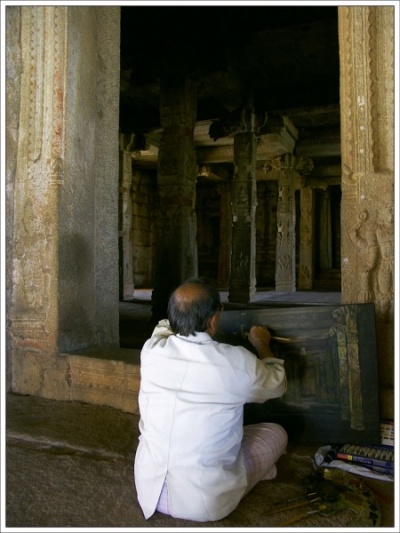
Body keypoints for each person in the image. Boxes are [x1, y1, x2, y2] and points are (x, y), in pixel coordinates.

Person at [134, 277, 288, 522]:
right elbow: (277, 384)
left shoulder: (152, 350)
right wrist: (262, 345)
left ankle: (254, 472)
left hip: (149, 491)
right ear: (214, 320)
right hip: (204, 502)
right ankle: (251, 477)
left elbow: (163, 327)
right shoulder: (235, 361)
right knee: (277, 434)